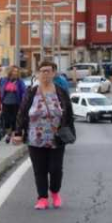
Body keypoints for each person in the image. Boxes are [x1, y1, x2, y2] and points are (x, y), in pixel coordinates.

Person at [13, 60, 75, 210]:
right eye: (42, 71)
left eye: (48, 71)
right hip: (35, 138)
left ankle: (55, 192)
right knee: (39, 170)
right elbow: (22, 112)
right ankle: (42, 198)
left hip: (56, 138)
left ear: (54, 73)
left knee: (55, 169)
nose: (45, 74)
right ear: (38, 74)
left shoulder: (60, 91)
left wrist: (69, 131)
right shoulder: (32, 92)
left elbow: (69, 113)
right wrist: (18, 132)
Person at [0, 65, 27, 140]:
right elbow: (0, 90)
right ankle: (8, 134)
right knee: (6, 120)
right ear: (10, 72)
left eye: (17, 71)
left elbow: (24, 92)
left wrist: (23, 101)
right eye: (14, 71)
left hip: (16, 103)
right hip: (5, 103)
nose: (15, 73)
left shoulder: (20, 81)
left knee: (14, 120)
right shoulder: (4, 80)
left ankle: (13, 135)